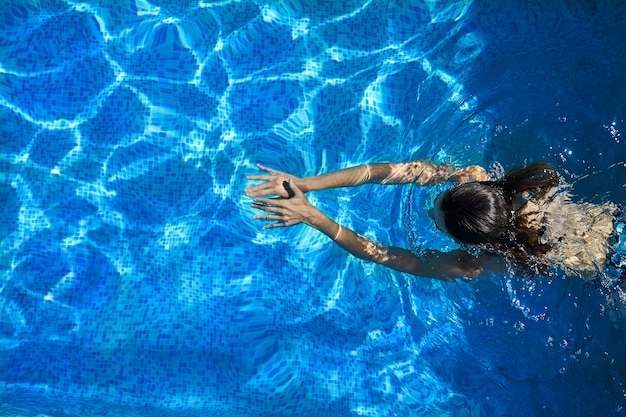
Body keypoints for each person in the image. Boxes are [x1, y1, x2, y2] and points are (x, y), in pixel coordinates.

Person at [244, 160, 624, 282]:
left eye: (437, 221)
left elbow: (387, 256)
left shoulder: (479, 262)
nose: (429, 213)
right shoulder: (489, 183)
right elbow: (388, 171)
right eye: (440, 204)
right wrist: (306, 184)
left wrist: (314, 217)